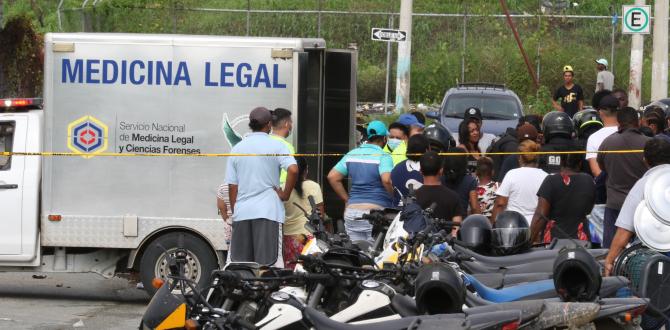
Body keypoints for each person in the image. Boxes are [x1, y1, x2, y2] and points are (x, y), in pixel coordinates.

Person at [225, 107, 298, 267]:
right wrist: (285, 195)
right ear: (269, 124)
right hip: (268, 212)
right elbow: (293, 169)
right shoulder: (277, 146)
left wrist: (236, 211)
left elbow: (232, 186)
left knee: (241, 267)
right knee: (268, 268)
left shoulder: (237, 149)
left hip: (242, 213)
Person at [604, 138, 670, 276]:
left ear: (645, 160)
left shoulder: (643, 185)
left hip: (653, 262)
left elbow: (624, 232)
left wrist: (609, 261)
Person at [327, 120, 394, 241]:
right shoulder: (384, 156)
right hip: (375, 215)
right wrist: (393, 197)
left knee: (355, 254)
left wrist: (347, 200)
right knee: (375, 255)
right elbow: (387, 180)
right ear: (384, 138)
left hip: (352, 213)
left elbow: (332, 177)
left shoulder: (352, 154)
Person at [597, 106, 651, 248]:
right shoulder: (648, 144)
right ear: (638, 122)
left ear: (618, 123)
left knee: (611, 251)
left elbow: (602, 168)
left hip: (615, 205)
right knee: (644, 253)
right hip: (643, 207)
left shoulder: (607, 143)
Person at [530, 153, 595, 243]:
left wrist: (528, 241)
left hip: (554, 241)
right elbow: (589, 209)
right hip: (581, 241)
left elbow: (541, 215)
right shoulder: (588, 180)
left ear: (561, 162)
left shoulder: (551, 180)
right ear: (580, 164)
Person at [492, 140, 548, 225]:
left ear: (520, 157)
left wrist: (493, 225)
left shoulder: (511, 174)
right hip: (536, 227)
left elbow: (500, 203)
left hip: (512, 226)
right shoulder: (546, 177)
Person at [282, 157, 325, 269]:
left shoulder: (283, 188)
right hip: (307, 236)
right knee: (309, 270)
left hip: (288, 238)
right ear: (306, 170)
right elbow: (321, 214)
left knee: (291, 270)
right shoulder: (314, 186)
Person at [416, 151, 463, 224]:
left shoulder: (413, 198)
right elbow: (456, 228)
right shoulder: (453, 197)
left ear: (420, 171)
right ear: (441, 170)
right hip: (445, 235)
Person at [586, 94, 619, 178]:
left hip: (606, 187)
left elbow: (596, 171)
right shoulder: (629, 133)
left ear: (600, 112)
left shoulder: (593, 138)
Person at [391, 134, 430, 206]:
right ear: (427, 150)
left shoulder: (397, 168)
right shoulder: (430, 169)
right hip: (421, 214)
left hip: (397, 213)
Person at [442, 147, 478, 217]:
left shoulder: (440, 180)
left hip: (441, 221)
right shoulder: (470, 181)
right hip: (461, 223)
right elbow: (474, 207)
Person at [270, 108, 296, 185]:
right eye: (291, 122)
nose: (291, 125)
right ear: (286, 124)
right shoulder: (286, 147)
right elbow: (287, 174)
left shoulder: (263, 141)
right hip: (277, 191)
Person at [469, 157, 498, 221]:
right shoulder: (498, 187)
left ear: (476, 172)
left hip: (476, 222)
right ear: (492, 172)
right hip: (492, 223)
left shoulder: (472, 189)